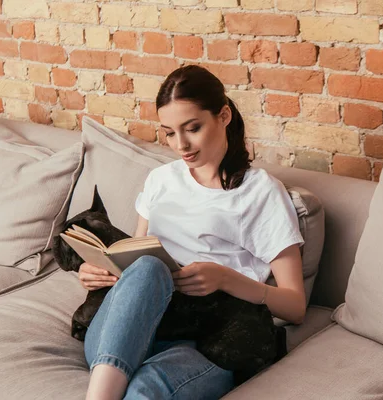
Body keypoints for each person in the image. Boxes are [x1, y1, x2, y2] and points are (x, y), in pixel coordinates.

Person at [79, 65, 306, 400]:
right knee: (148, 268)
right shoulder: (161, 179)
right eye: (169, 133)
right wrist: (101, 271)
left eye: (193, 128)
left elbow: (296, 305)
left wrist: (225, 278)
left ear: (224, 116)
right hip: (130, 331)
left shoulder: (262, 193)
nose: (181, 145)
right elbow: (137, 255)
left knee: (144, 390)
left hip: (214, 335)